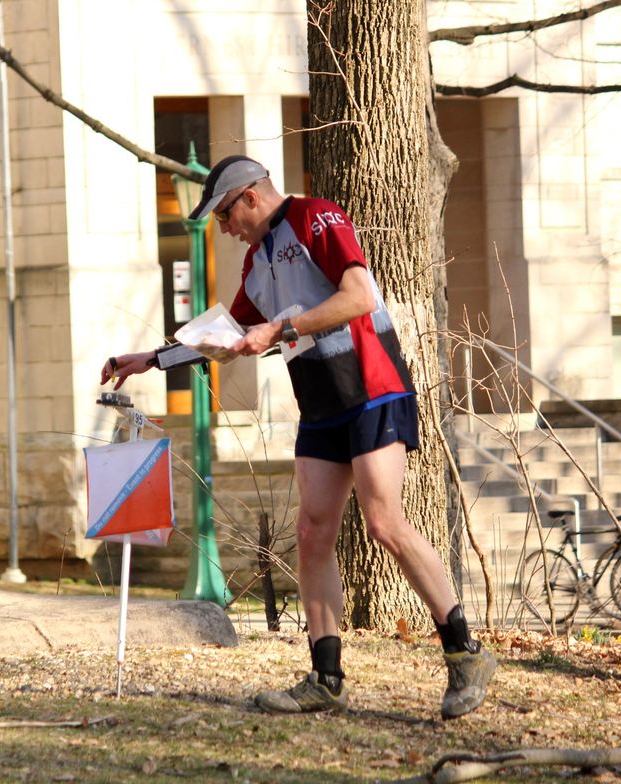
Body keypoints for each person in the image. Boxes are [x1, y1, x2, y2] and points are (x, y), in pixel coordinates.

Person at [101, 155, 495, 720]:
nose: (223, 227)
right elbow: (226, 335)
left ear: (251, 198)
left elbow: (359, 296)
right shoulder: (256, 262)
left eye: (224, 213)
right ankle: (326, 677)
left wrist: (279, 328)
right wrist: (149, 359)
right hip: (321, 406)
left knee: (383, 522)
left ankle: (464, 652)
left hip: (373, 390)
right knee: (312, 533)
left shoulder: (318, 218)